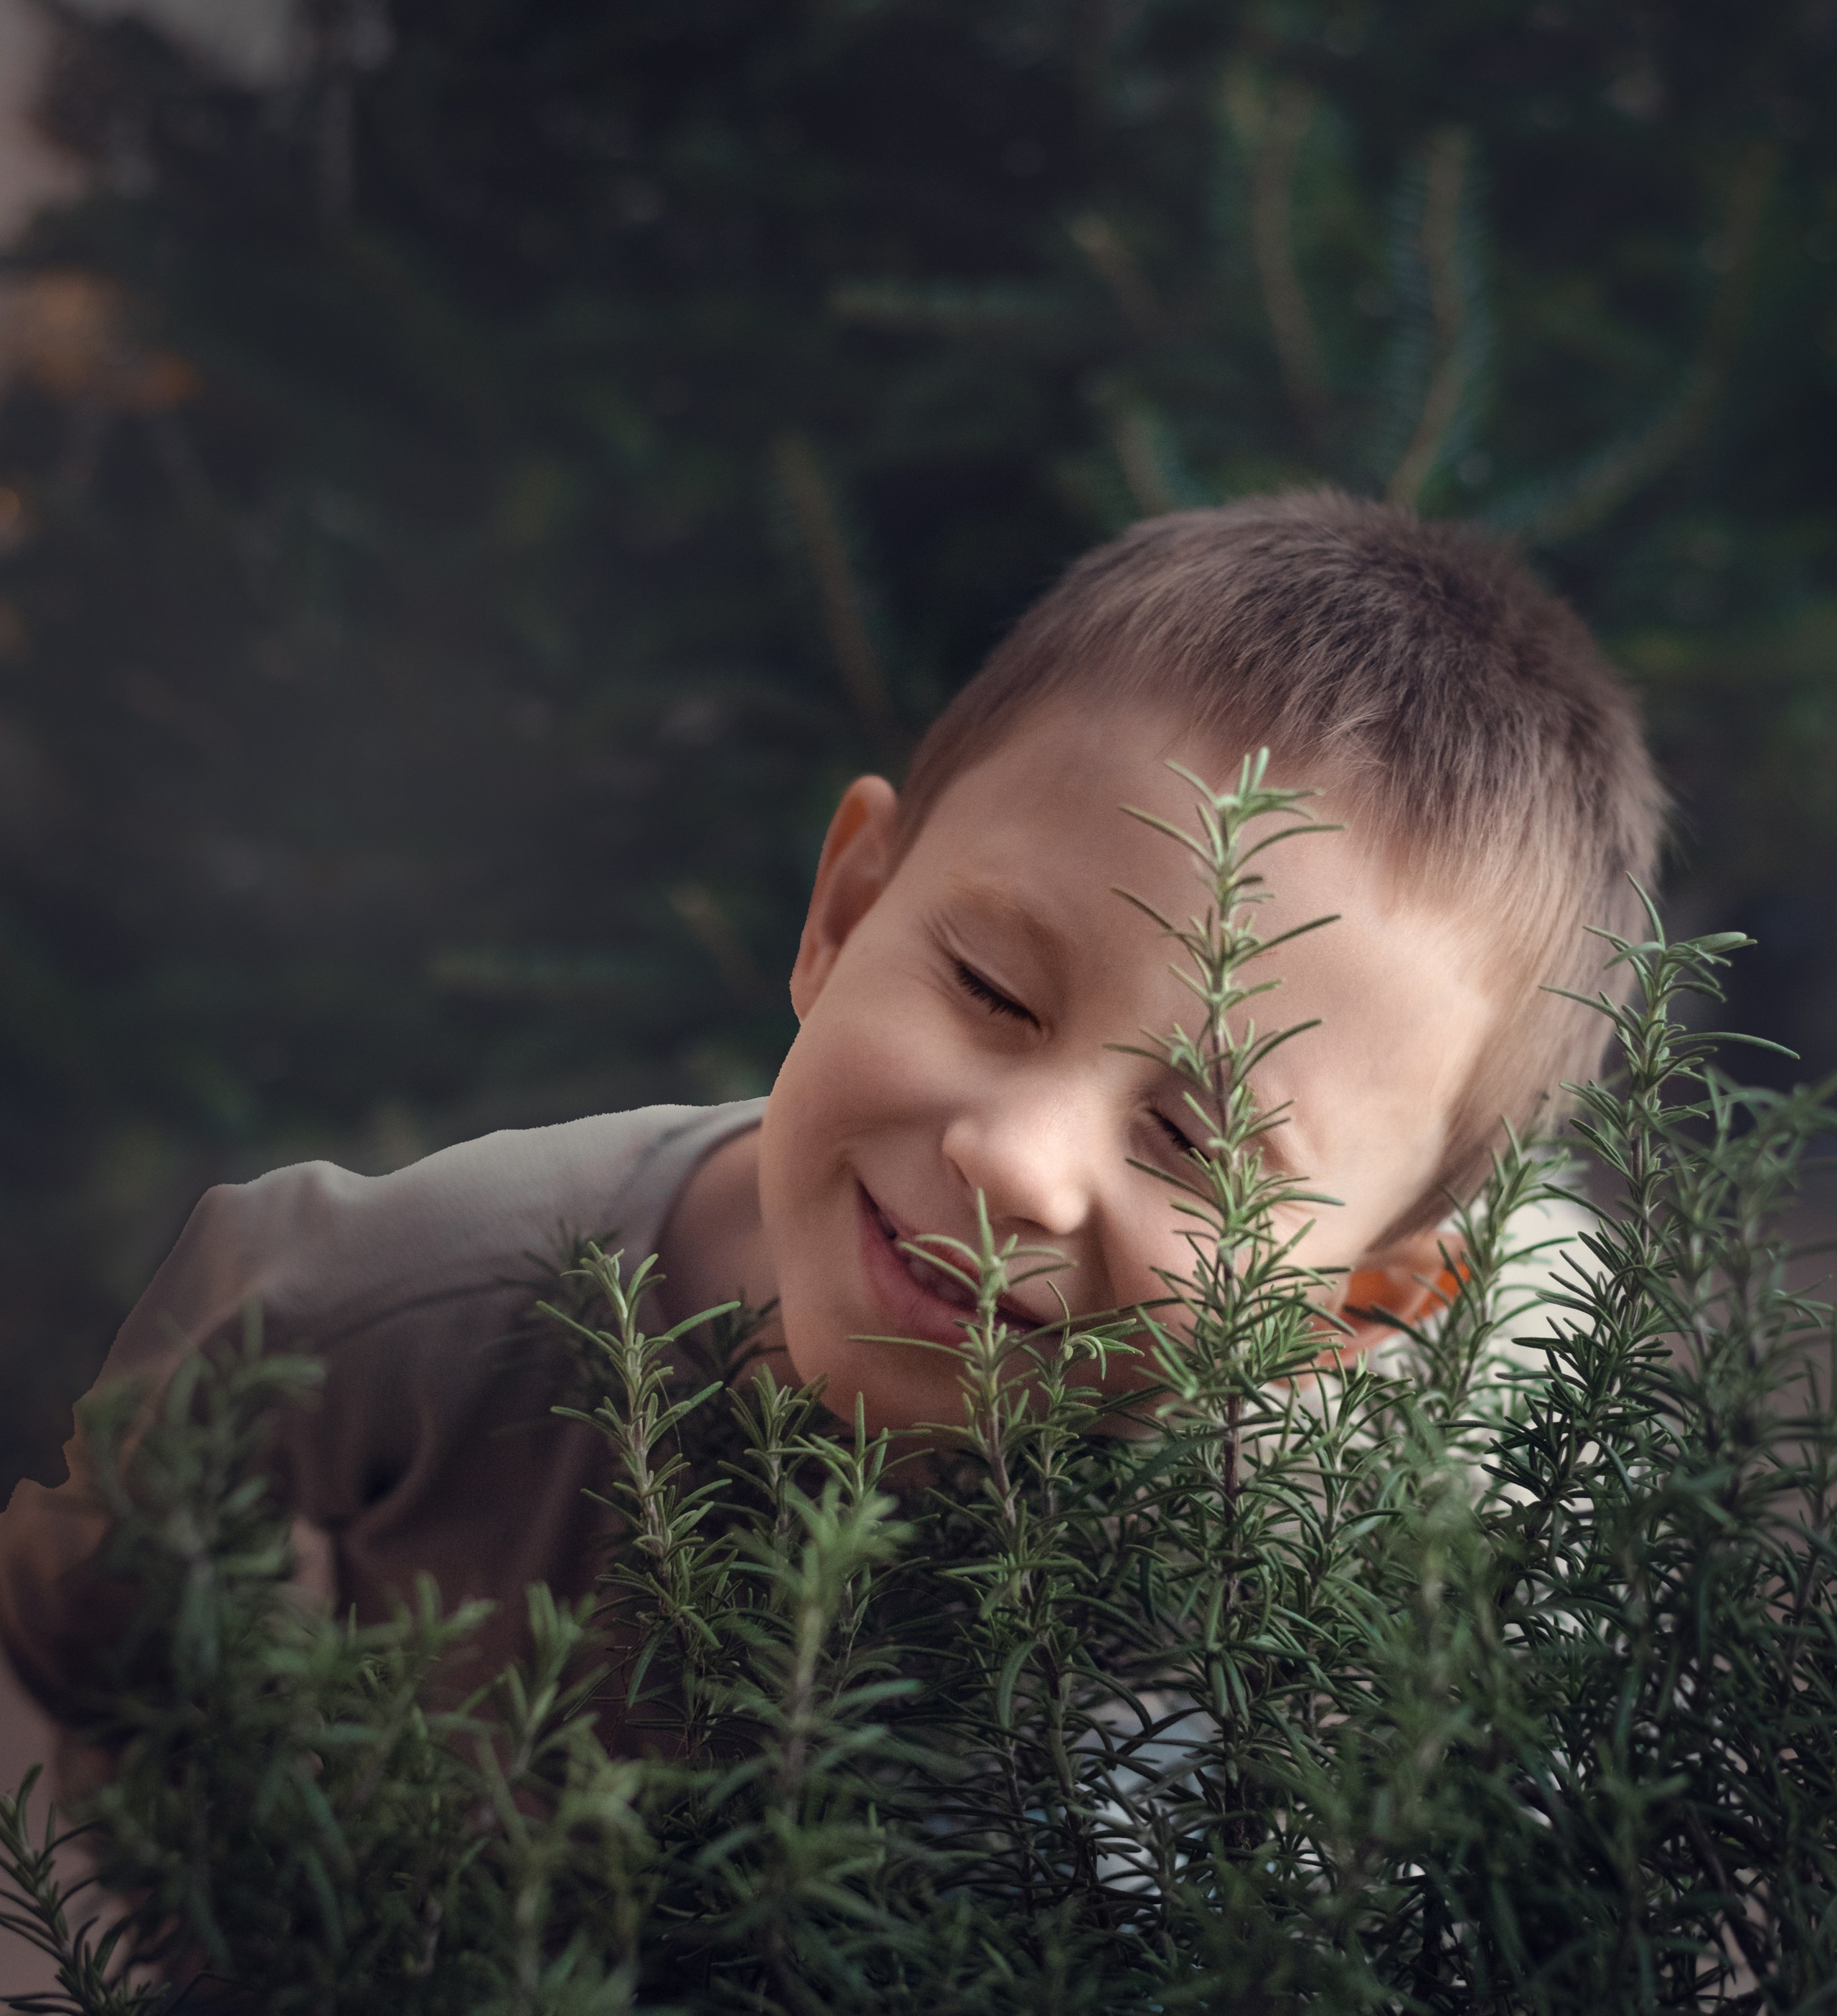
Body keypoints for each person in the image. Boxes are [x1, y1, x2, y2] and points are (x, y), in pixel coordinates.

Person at [0, 489, 1663, 1747]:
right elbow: (80, 1628)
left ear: (1346, 1315)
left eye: (1195, 1144)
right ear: (845, 906)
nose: (1015, 1156)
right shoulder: (407, 1298)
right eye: (994, 992)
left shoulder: (1316, 1594)